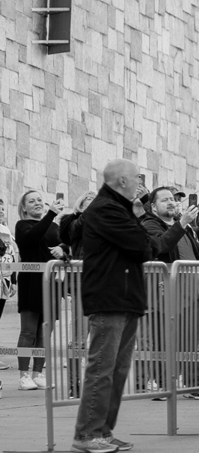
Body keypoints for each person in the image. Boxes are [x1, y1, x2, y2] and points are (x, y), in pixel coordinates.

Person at [73, 159, 153, 453]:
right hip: (110, 299)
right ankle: (86, 434)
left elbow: (144, 245)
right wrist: (141, 222)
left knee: (117, 370)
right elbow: (143, 246)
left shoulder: (120, 208)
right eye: (136, 178)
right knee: (101, 369)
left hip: (126, 298)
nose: (139, 184)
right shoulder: (105, 209)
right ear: (121, 181)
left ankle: (104, 431)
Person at [14, 190, 63, 391]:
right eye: (31, 201)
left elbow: (63, 244)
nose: (37, 203)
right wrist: (51, 213)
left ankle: (38, 373)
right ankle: (24, 375)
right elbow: (31, 239)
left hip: (51, 282)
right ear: (24, 207)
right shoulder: (22, 225)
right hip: (31, 281)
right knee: (28, 330)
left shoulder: (53, 226)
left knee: (45, 332)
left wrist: (63, 250)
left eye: (40, 200)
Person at [140, 185, 198, 262]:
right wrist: (182, 222)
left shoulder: (184, 225)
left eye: (172, 199)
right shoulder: (149, 225)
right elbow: (161, 245)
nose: (170, 203)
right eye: (165, 200)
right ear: (154, 207)